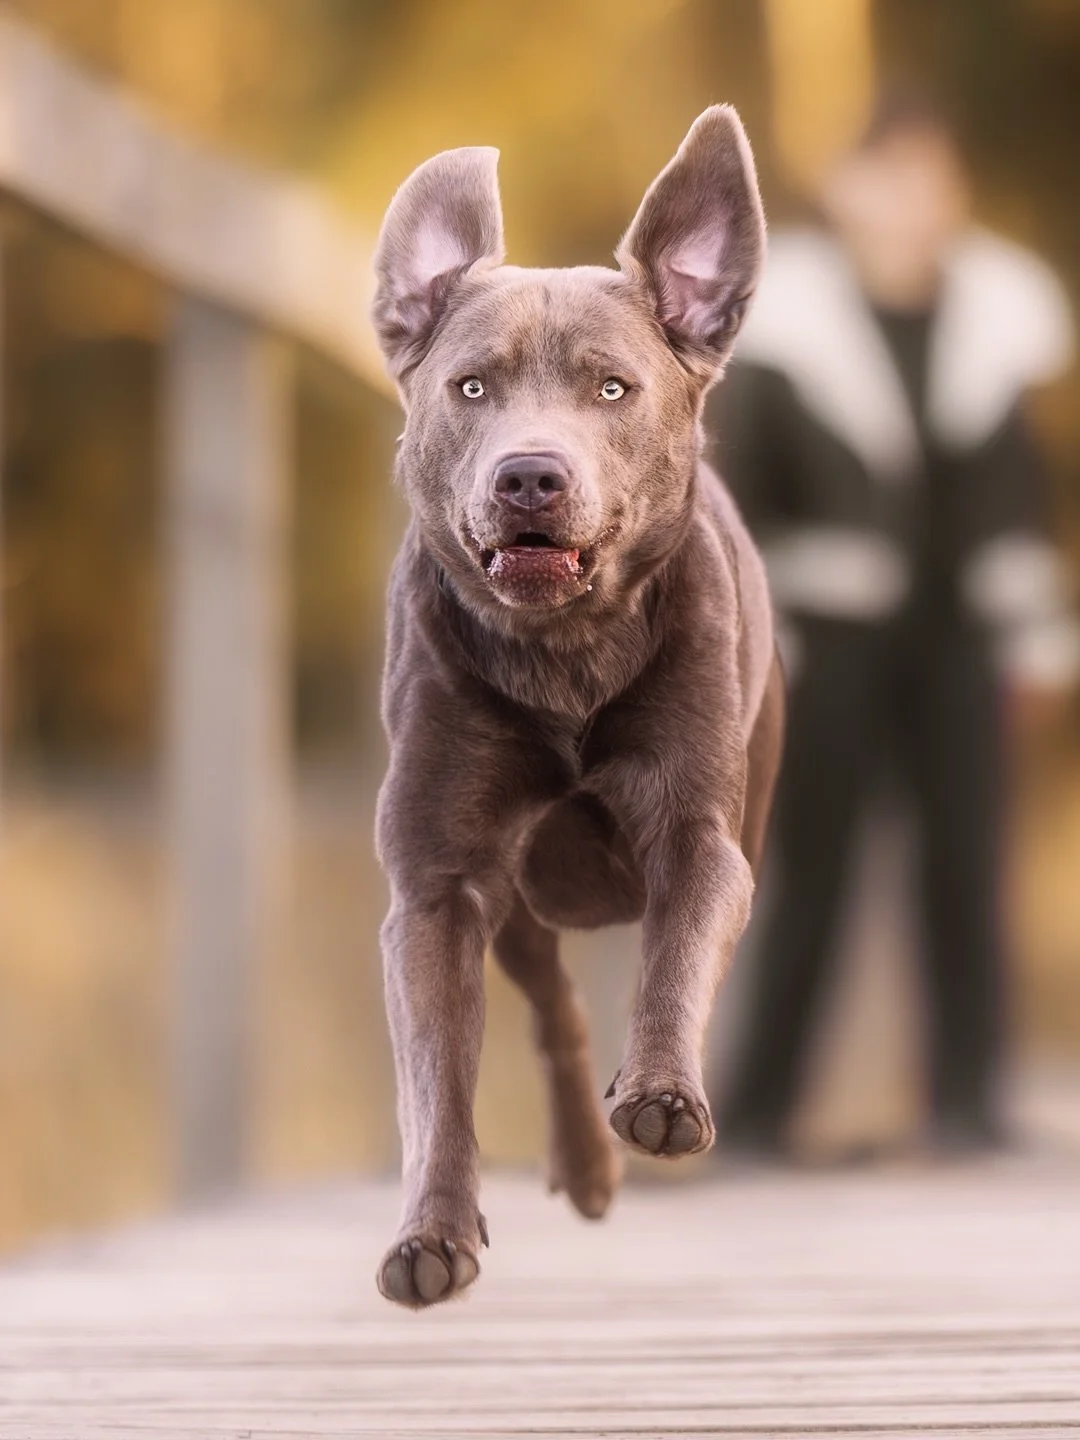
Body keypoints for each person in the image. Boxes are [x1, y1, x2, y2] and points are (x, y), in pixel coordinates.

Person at [710, 95, 1078, 1156]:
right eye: (895, 174)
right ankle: (761, 1108)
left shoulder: (999, 321)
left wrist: (1039, 631)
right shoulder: (781, 329)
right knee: (806, 866)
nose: (917, 201)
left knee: (967, 861)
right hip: (826, 642)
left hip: (962, 634)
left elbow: (1018, 497)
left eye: (935, 176)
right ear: (848, 186)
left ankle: (968, 1102)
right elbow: (734, 500)